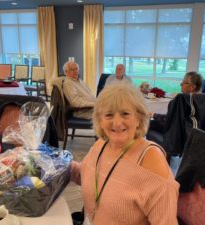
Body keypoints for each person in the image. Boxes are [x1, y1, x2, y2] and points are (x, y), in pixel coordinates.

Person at [71, 84, 179, 224]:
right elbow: (85, 175)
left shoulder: (151, 160)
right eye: (109, 114)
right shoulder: (102, 145)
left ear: (139, 118)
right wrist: (55, 163)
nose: (117, 123)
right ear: (100, 120)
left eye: (125, 114)